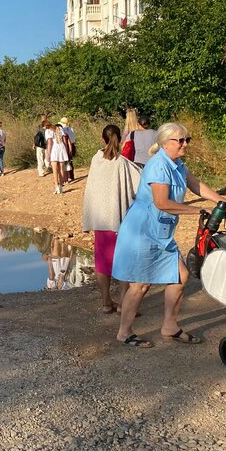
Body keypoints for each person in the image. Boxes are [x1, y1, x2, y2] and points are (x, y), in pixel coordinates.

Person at [112, 122, 226, 348]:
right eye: (180, 140)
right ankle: (124, 333)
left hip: (161, 231)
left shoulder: (177, 164)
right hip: (142, 231)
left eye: (187, 140)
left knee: (180, 275)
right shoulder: (158, 165)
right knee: (140, 284)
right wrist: (199, 211)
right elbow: (161, 202)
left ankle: (170, 326)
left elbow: (197, 185)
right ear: (165, 143)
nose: (185, 144)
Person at [82, 124, 141, 313]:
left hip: (100, 220)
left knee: (102, 263)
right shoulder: (122, 163)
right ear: (120, 140)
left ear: (102, 139)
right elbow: (138, 185)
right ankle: (123, 304)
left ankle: (106, 303)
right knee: (125, 262)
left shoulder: (95, 159)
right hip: (119, 220)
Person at [46, 121, 70, 195]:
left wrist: (48, 154)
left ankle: (57, 187)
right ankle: (60, 186)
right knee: (61, 169)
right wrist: (66, 150)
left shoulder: (48, 131)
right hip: (61, 148)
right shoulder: (59, 128)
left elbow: (50, 143)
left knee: (55, 170)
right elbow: (64, 141)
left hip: (54, 149)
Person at [59, 117, 77, 183]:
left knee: (66, 161)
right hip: (72, 145)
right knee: (70, 161)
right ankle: (71, 176)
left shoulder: (64, 130)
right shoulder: (71, 129)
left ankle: (67, 177)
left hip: (67, 145)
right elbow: (73, 139)